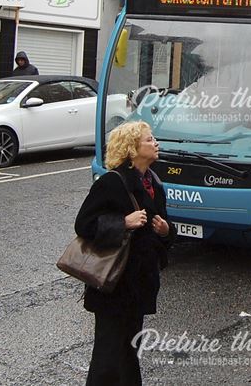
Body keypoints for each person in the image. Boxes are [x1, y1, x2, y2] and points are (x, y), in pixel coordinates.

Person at [75, 121, 176, 385]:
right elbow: (83, 224)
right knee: (107, 357)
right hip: (112, 284)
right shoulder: (112, 182)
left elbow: (161, 230)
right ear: (132, 149)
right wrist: (123, 223)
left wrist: (167, 231)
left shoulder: (153, 181)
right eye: (149, 139)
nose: (156, 143)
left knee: (130, 351)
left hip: (139, 284)